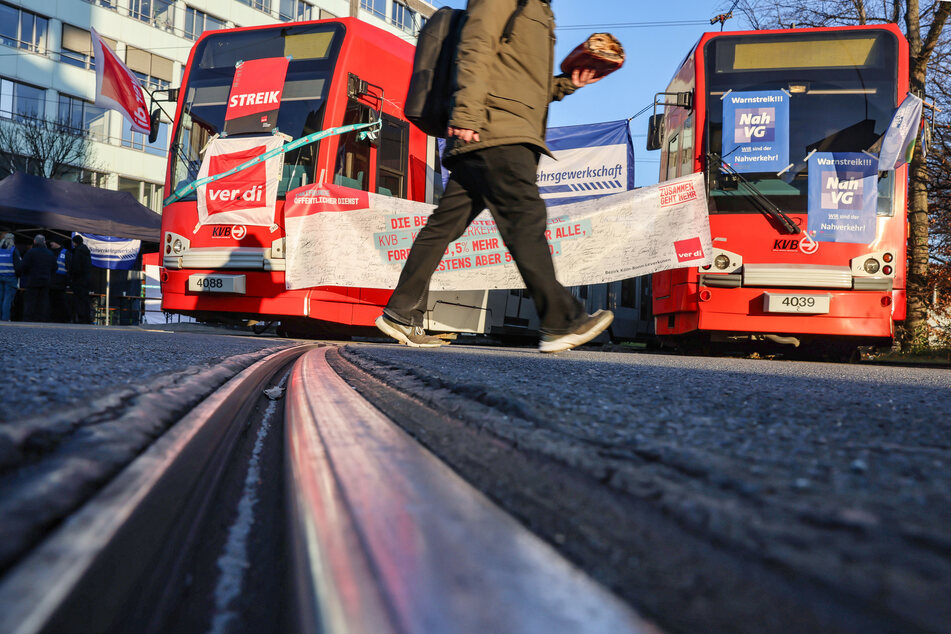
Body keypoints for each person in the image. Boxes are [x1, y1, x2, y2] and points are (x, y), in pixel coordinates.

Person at [376, 0, 614, 352]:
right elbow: (475, 44)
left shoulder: (539, 10)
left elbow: (520, 85)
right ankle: (561, 321)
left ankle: (399, 312)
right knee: (525, 219)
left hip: (491, 131)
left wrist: (567, 84)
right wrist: (467, 114)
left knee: (442, 228)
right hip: (493, 132)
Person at [18, 234, 56, 322]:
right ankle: (42, 318)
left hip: (33, 280)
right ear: (44, 242)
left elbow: (24, 266)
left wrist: (28, 274)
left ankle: (29, 318)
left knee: (30, 300)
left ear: (34, 241)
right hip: (45, 280)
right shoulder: (50, 253)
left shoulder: (31, 252)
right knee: (43, 300)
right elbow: (55, 267)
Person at [69, 234, 93, 324]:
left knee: (79, 300)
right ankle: (87, 318)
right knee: (85, 299)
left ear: (75, 242)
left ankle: (80, 317)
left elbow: (76, 267)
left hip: (79, 280)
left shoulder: (78, 252)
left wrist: (72, 277)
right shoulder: (86, 252)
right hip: (86, 279)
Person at [48, 239, 72, 323]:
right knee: (53, 301)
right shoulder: (50, 252)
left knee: (60, 301)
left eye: (52, 241)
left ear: (57, 243)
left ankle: (62, 318)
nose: (50, 243)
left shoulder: (65, 252)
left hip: (61, 281)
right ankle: (54, 318)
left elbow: (69, 267)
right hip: (52, 281)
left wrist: (68, 281)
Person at [0, 232, 19, 321]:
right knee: (7, 299)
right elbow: (18, 265)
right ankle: (5, 318)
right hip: (10, 277)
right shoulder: (13, 250)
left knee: (0, 297)